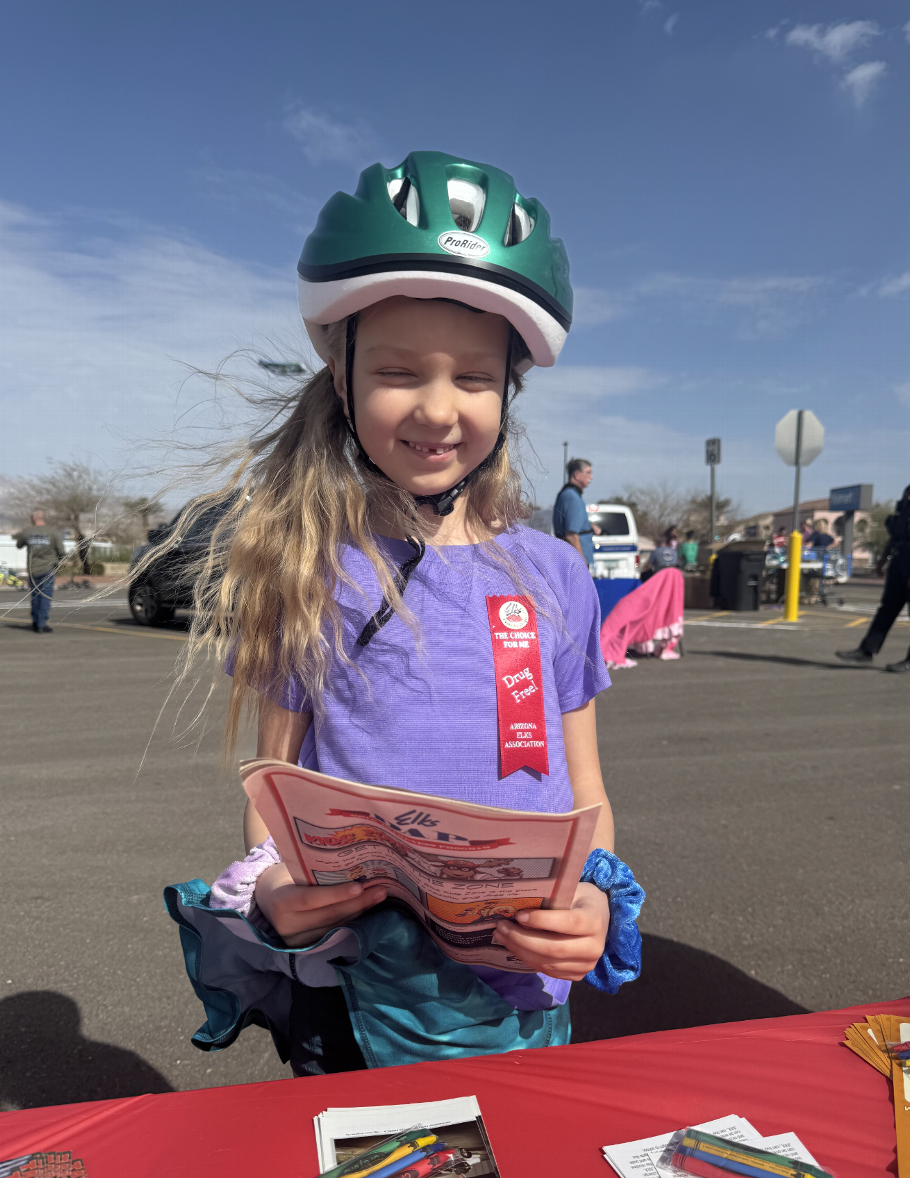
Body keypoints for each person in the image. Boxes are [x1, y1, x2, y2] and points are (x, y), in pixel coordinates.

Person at [164, 151, 644, 1076]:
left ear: (509, 389)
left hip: (519, 995)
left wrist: (590, 901)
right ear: (341, 380)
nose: (436, 407)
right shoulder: (301, 570)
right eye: (396, 371)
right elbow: (274, 787)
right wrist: (271, 883)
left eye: (471, 377)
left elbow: (585, 794)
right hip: (360, 996)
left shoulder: (554, 576)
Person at [837, 448, 910, 673]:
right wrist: (882, 559)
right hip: (902, 555)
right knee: (888, 606)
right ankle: (866, 651)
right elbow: (898, 527)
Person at [14, 509, 65, 633]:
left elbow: (19, 545)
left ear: (33, 518)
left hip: (32, 570)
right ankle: (42, 624)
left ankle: (36, 621)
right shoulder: (53, 533)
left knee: (35, 596)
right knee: (45, 596)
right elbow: (62, 552)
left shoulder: (27, 532)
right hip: (48, 568)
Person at [552, 458, 599, 566]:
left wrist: (589, 526)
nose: (591, 477)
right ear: (577, 475)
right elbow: (571, 535)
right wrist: (581, 565)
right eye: (588, 473)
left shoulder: (567, 494)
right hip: (575, 562)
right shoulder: (573, 497)